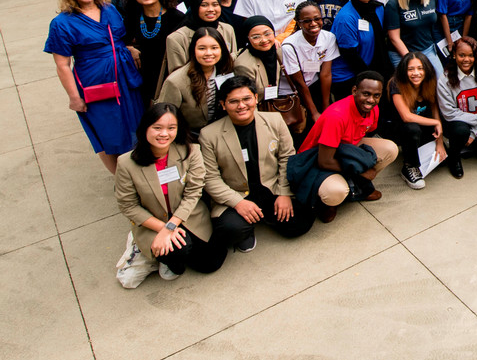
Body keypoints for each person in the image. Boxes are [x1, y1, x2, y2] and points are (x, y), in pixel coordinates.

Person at [46, 0, 145, 173]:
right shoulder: (62, 23)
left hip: (126, 77)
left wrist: (129, 49)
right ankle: (121, 179)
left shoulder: (109, 9)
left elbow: (116, 39)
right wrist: (74, 97)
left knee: (136, 125)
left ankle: (141, 174)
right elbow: (62, 64)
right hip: (95, 82)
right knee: (108, 132)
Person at [199, 76, 312, 252]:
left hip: (269, 187)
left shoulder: (274, 121)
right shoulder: (208, 135)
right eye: (233, 101)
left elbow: (287, 158)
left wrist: (284, 193)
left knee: (300, 224)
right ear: (223, 104)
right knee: (231, 230)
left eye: (246, 99)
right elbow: (210, 178)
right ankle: (247, 226)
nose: (241, 105)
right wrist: (238, 202)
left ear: (256, 98)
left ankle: (264, 215)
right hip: (236, 193)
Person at [115, 104, 225, 283]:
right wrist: (163, 229)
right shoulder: (126, 163)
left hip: (187, 215)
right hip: (154, 220)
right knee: (178, 253)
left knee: (210, 263)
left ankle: (167, 250)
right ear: (145, 128)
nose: (164, 134)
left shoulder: (191, 151)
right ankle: (150, 253)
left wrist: (172, 226)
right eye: (157, 128)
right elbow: (128, 205)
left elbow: (193, 192)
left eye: (171, 128)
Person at [293, 72, 399, 223]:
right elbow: (324, 161)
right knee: (336, 191)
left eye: (376, 95)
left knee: (390, 149)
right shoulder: (337, 116)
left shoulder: (372, 109)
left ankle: (359, 187)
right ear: (354, 91)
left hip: (345, 148)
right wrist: (361, 171)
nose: (371, 100)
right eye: (366, 94)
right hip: (317, 158)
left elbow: (364, 133)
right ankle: (327, 202)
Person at [385, 52, 448, 190]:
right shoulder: (396, 84)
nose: (416, 73)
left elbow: (435, 109)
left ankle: (419, 148)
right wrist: (436, 123)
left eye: (420, 68)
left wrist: (440, 141)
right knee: (412, 129)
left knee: (442, 157)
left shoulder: (429, 82)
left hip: (422, 126)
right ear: (404, 71)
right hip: (402, 129)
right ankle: (409, 166)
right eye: (410, 69)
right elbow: (406, 116)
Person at [436, 36, 477, 178]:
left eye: (470, 55)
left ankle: (471, 144)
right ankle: (454, 157)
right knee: (461, 131)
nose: (466, 59)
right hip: (456, 123)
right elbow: (449, 113)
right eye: (462, 55)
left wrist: (474, 133)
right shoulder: (445, 79)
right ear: (454, 55)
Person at [157, 27, 233, 133]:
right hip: (190, 136)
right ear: (193, 50)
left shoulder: (228, 71)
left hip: (223, 130)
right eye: (202, 48)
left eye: (214, 48)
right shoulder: (176, 81)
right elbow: (163, 117)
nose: (208, 53)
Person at [122, 0, 185, 96]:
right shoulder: (132, 17)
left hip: (169, 78)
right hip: (140, 79)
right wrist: (129, 48)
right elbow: (122, 41)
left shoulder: (176, 18)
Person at [331, 0, 390, 99]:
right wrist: (370, 78)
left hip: (372, 66)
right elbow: (349, 54)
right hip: (349, 74)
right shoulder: (346, 18)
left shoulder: (378, 8)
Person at [161, 0, 238, 83]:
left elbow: (232, 62)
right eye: (204, 5)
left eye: (215, 4)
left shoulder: (227, 29)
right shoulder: (177, 38)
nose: (211, 9)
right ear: (195, 6)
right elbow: (178, 76)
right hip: (193, 89)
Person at [280, 2, 337, 124]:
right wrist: (314, 112)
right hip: (293, 92)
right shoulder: (289, 46)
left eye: (317, 19)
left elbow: (325, 74)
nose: (313, 24)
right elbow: (299, 83)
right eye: (307, 21)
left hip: (313, 84)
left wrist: (325, 107)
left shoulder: (329, 38)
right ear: (298, 22)